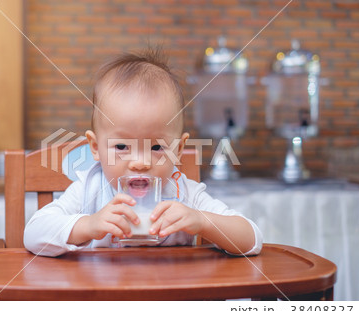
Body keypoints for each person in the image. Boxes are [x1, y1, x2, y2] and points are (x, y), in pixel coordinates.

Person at [24, 48, 262, 257]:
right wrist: (88, 225)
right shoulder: (91, 190)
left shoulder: (184, 194)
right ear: (95, 148)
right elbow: (33, 233)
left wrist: (203, 221)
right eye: (121, 147)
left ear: (178, 150)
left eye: (157, 147)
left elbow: (252, 240)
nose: (140, 163)